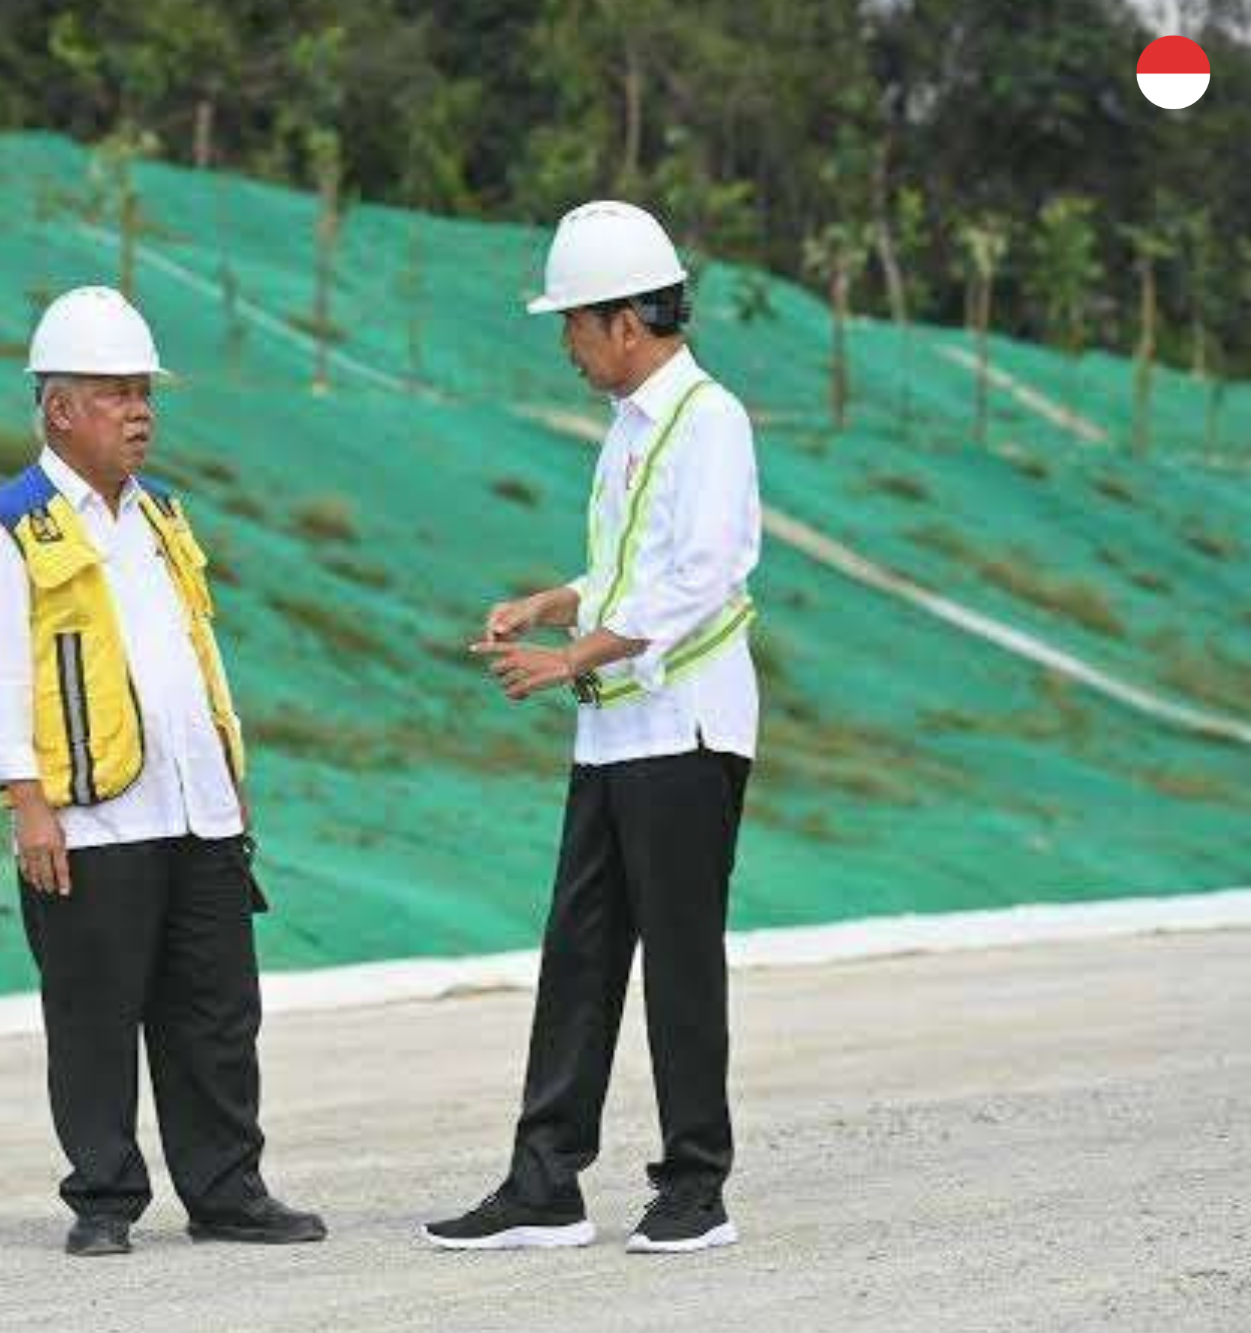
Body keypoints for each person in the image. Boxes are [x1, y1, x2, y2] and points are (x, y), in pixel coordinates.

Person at [0, 285, 325, 1258]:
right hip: (88, 823)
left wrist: (227, 768)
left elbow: (194, 651)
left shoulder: (160, 515)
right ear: (57, 408)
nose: (139, 411)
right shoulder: (7, 530)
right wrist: (24, 798)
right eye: (115, 393)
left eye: (143, 392)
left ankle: (227, 1191)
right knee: (93, 1015)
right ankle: (104, 1200)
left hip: (195, 812)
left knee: (215, 1013)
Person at [424, 201, 762, 1255]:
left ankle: (693, 1187)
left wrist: (568, 657)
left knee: (677, 959)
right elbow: (626, 574)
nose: (565, 346)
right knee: (576, 954)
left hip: (687, 731)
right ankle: (543, 1182)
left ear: (624, 322)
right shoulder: (627, 430)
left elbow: (699, 580)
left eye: (571, 324)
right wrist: (547, 603)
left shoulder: (709, 419)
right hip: (614, 734)